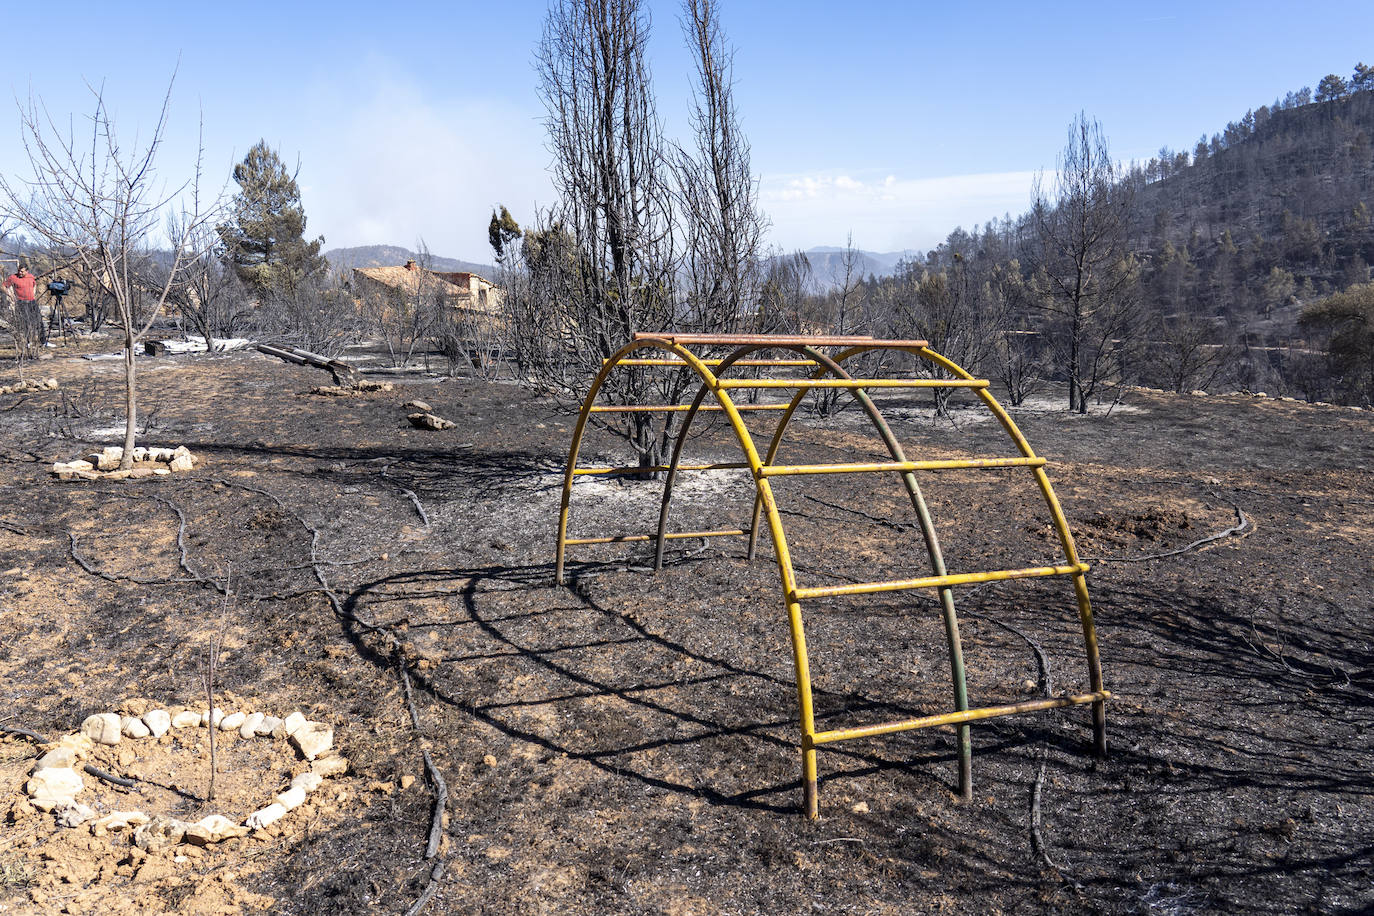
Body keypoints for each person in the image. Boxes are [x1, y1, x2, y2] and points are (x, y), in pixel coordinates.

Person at [2, 264, 47, 349]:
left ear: (27, 271)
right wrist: (11, 295)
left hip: (32, 302)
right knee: (26, 323)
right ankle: (27, 343)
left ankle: (43, 342)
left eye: (22, 271)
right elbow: (3, 286)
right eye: (19, 270)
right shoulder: (13, 278)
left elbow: (34, 284)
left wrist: (33, 293)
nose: (20, 273)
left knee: (39, 321)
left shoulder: (31, 277)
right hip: (21, 302)